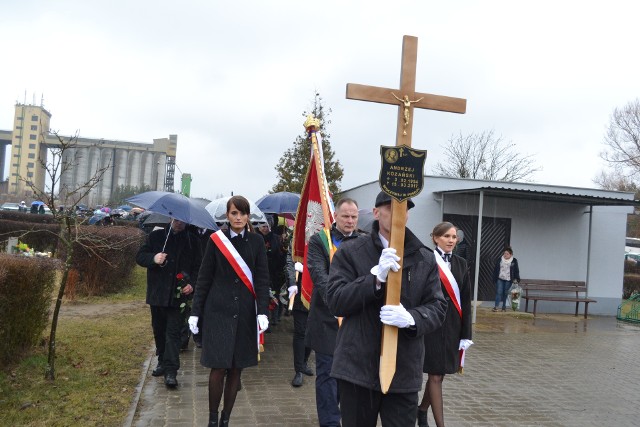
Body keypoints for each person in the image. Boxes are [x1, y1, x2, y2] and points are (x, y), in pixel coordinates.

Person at [326, 191, 447, 427]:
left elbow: (438, 307)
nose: (398, 214)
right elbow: (336, 300)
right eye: (391, 208)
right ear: (376, 213)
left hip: (403, 370)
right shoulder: (351, 252)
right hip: (358, 368)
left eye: (404, 209)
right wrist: (374, 279)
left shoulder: (424, 257)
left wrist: (412, 319)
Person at [188, 196, 270, 427]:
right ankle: (213, 419)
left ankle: (226, 419)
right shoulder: (216, 241)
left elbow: (263, 279)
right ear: (227, 215)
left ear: (248, 216)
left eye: (242, 213)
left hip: (245, 313)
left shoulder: (256, 242)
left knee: (236, 369)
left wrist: (262, 311)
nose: (238, 218)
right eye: (234, 213)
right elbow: (204, 278)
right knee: (218, 367)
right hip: (218, 312)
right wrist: (195, 312)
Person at [305, 197, 360, 427]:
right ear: (335, 215)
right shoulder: (320, 241)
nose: (350, 221)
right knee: (327, 374)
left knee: (347, 376)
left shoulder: (365, 241)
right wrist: (341, 301)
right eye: (345, 216)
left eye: (354, 217)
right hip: (327, 316)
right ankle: (329, 422)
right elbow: (319, 276)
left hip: (355, 319)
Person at [417, 222, 473, 427]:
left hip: (452, 326)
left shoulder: (461, 263)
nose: (451, 240)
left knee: (440, 373)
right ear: (436, 238)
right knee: (436, 374)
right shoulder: (425, 259)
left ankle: (422, 411)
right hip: (431, 325)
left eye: (454, 237)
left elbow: (465, 300)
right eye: (447, 236)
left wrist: (466, 333)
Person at [135, 218, 202, 388]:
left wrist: (191, 284)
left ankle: (171, 371)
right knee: (159, 330)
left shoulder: (192, 241)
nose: (179, 223)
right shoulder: (156, 236)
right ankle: (162, 361)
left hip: (178, 296)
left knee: (173, 333)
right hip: (157, 293)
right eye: (176, 220)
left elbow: (198, 266)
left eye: (182, 221)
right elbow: (140, 257)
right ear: (170, 219)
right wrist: (154, 258)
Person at [285, 244, 313, 387]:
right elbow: (290, 262)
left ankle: (304, 362)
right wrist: (291, 282)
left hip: (316, 292)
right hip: (299, 291)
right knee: (300, 332)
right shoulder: (297, 238)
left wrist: (308, 269)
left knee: (312, 332)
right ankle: (298, 371)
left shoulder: (323, 236)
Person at [257, 217, 286, 325]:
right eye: (263, 226)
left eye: (267, 226)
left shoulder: (275, 238)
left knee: (275, 294)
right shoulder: (256, 237)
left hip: (274, 271)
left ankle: (275, 316)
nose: (265, 229)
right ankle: (265, 317)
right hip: (262, 271)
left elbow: (279, 255)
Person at [493, 246, 521, 312]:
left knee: (505, 293)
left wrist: (517, 279)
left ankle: (504, 307)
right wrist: (494, 277)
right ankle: (496, 306)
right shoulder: (500, 259)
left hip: (508, 279)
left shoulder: (514, 261)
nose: (505, 255)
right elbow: (496, 269)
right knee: (499, 292)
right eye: (504, 253)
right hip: (500, 278)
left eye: (507, 254)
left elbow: (516, 270)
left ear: (511, 255)